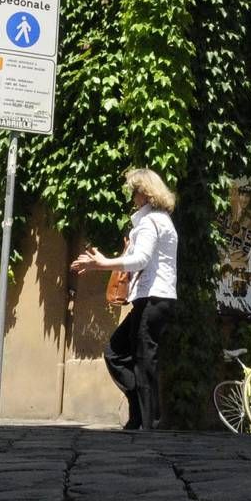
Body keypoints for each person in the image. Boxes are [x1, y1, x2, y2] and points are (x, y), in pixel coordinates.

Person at [71, 168, 180, 431]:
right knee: (118, 353)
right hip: (152, 299)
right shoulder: (157, 220)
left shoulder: (152, 221)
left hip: (153, 298)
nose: (132, 197)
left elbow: (140, 259)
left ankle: (148, 424)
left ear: (145, 193)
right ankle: (140, 416)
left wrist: (103, 264)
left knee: (143, 361)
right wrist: (102, 264)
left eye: (134, 191)